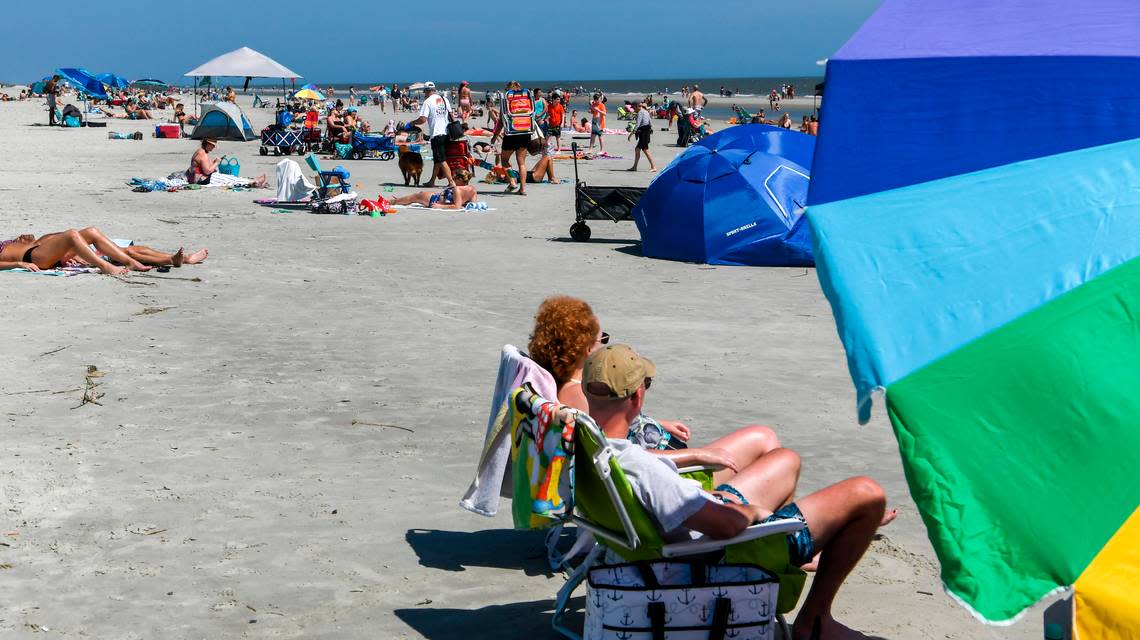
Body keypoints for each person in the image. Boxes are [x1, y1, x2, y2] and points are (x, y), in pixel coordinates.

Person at [582, 344, 897, 640]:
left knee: (785, 460)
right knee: (867, 495)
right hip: (723, 550)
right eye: (646, 384)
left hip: (691, 526)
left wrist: (719, 499)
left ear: (585, 390)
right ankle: (815, 619)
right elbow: (727, 526)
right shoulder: (640, 466)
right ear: (637, 397)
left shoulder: (587, 446)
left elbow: (655, 484)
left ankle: (785, 566)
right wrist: (750, 511)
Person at [0, 228, 157, 275]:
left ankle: (130, 263)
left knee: (91, 232)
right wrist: (18, 263)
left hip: (38, 251)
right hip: (34, 258)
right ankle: (106, 267)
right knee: (71, 235)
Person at [406, 81, 455, 189]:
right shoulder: (444, 99)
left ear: (427, 91)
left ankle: (451, 182)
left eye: (425, 92)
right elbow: (451, 116)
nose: (424, 94)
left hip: (437, 134)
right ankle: (432, 181)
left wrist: (412, 123)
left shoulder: (428, 102)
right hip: (446, 132)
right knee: (437, 159)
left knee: (441, 159)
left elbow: (423, 119)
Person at [499, 80, 535, 196]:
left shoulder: (506, 99)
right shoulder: (527, 99)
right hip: (525, 131)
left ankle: (512, 182)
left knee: (504, 160)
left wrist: (495, 136)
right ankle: (523, 189)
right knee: (522, 163)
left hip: (511, 133)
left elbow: (501, 120)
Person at [391, 169, 477, 209]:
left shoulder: (457, 189)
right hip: (436, 197)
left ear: (460, 179)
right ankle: (397, 200)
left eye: (454, 179)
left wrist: (440, 206)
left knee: (413, 197)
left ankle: (391, 201)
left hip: (433, 199)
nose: (453, 180)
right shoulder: (472, 189)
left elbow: (457, 206)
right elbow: (473, 204)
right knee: (413, 198)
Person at [627, 102, 657, 172]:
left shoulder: (640, 112)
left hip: (644, 132)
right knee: (638, 149)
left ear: (637, 106)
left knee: (645, 150)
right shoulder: (646, 112)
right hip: (646, 132)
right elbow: (650, 122)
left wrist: (630, 134)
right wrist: (650, 130)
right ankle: (635, 167)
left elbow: (638, 124)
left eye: (634, 108)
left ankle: (653, 167)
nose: (633, 109)